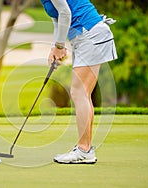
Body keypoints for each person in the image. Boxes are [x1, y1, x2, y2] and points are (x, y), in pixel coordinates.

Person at [41, 0, 117, 164]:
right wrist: (56, 47)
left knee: (79, 92)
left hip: (89, 33)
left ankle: (84, 150)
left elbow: (66, 13)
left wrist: (60, 45)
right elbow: (58, 19)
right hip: (86, 36)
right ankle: (85, 149)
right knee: (83, 93)